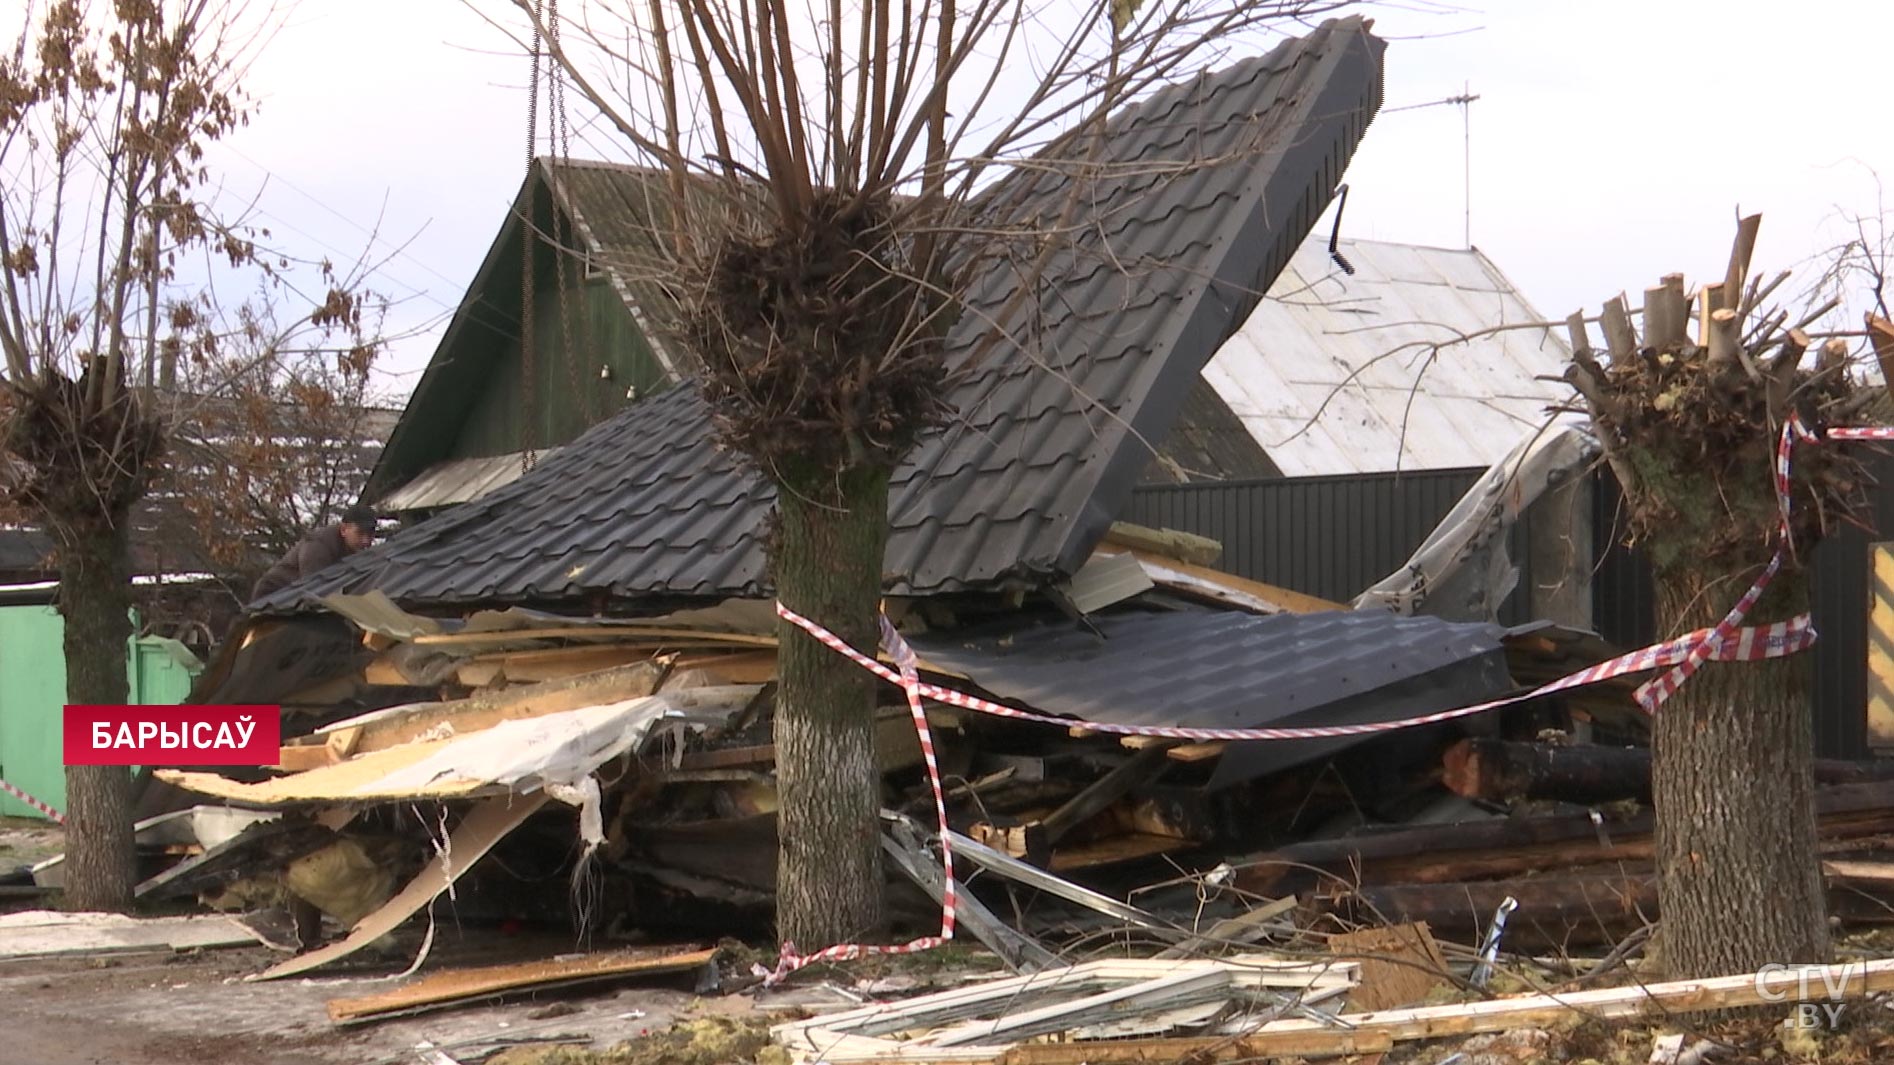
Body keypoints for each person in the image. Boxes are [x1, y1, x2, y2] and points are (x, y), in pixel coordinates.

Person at [251, 504, 377, 602]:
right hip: (273, 594)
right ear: (344, 529)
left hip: (296, 597)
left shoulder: (355, 551)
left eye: (370, 534)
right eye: (360, 533)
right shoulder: (319, 546)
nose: (366, 541)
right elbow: (314, 589)